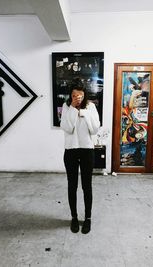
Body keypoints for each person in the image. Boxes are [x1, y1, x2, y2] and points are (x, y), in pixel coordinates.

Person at [60, 78, 100, 234]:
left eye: (80, 95)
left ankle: (88, 218)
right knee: (72, 186)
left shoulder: (91, 107)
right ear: (71, 95)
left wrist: (84, 113)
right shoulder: (66, 107)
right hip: (70, 150)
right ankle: (74, 217)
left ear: (84, 95)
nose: (78, 98)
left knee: (86, 186)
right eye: (75, 95)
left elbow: (95, 129)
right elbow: (67, 128)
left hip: (87, 151)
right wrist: (73, 109)